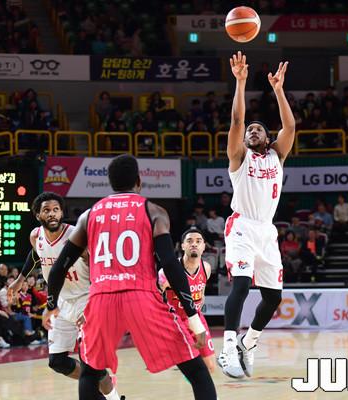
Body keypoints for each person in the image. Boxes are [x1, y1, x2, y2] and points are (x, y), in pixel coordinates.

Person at [46, 155, 216, 400]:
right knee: (196, 370)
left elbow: (59, 268)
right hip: (142, 297)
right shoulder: (154, 211)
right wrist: (194, 320)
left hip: (101, 299)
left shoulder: (88, 215)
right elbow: (170, 264)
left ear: (110, 182)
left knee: (90, 372)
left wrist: (51, 305)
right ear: (139, 181)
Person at [219, 51, 295, 379]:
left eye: (258, 130)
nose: (252, 131)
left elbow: (290, 126)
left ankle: (248, 342)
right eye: (250, 130)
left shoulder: (278, 155)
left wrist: (278, 90)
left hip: (266, 231)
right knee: (240, 286)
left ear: (267, 138)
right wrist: (240, 83)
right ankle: (227, 348)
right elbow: (237, 121)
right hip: (242, 226)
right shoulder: (239, 157)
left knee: (273, 297)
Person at [8, 192, 120, 400]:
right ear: (38, 215)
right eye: (46, 210)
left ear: (62, 213)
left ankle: (112, 396)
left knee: (89, 360)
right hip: (59, 302)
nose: (52, 214)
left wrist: (96, 305)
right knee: (57, 362)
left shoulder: (76, 237)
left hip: (86, 299)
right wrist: (20, 279)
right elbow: (36, 254)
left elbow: (101, 271)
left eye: (56, 210)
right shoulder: (35, 236)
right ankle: (98, 381)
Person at [158, 228, 216, 373]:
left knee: (210, 366)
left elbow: (201, 293)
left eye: (198, 241)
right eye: (189, 241)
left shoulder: (206, 268)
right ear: (183, 246)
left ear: (204, 246)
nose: (194, 244)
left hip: (196, 319)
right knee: (189, 365)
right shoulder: (168, 271)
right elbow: (156, 297)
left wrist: (198, 307)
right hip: (176, 323)